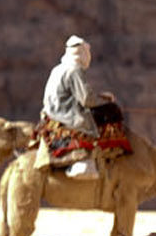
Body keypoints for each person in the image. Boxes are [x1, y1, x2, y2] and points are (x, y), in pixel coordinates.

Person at [41, 35, 115, 178]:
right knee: (94, 123)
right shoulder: (74, 70)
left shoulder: (58, 69)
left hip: (51, 111)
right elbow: (86, 99)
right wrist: (105, 102)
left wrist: (100, 96)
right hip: (65, 113)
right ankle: (84, 163)